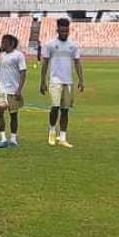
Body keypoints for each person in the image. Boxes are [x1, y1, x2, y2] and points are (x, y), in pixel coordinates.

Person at [40, 18, 84, 148]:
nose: (64, 33)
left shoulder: (73, 46)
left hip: (68, 82)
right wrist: (42, 81)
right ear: (57, 30)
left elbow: (77, 63)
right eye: (62, 30)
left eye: (66, 30)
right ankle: (52, 131)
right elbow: (45, 63)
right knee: (55, 106)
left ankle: (63, 138)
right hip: (55, 81)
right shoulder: (51, 45)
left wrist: (81, 80)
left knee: (65, 110)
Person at [0, 35, 27, 148]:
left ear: (11, 43)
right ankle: (3, 139)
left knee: (13, 116)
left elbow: (23, 73)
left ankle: (13, 139)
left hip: (13, 91)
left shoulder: (18, 55)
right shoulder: (2, 56)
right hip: (2, 90)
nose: (2, 43)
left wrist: (19, 89)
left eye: (4, 42)